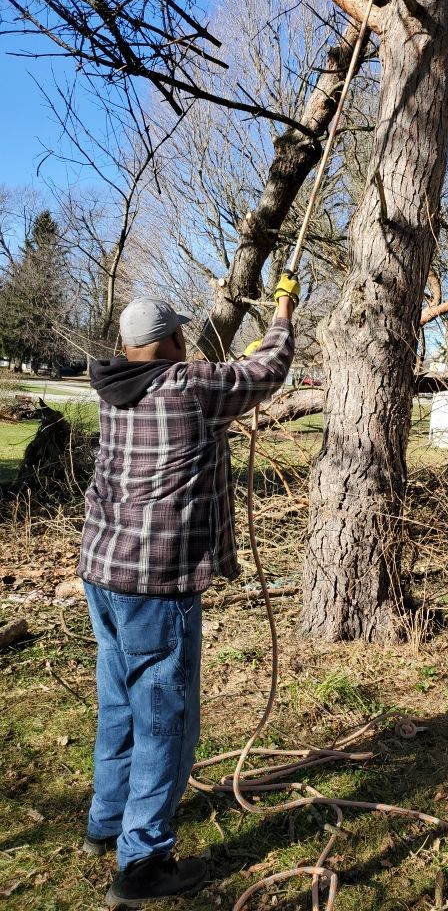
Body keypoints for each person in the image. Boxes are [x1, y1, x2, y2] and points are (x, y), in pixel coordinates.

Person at [78, 278, 298, 908]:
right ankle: (142, 862)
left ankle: (105, 823)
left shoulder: (113, 389)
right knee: (164, 720)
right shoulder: (190, 389)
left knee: (120, 703)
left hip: (103, 573)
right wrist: (282, 310)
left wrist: (242, 359)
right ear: (171, 340)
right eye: (181, 333)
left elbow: (233, 377)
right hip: (155, 583)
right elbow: (269, 369)